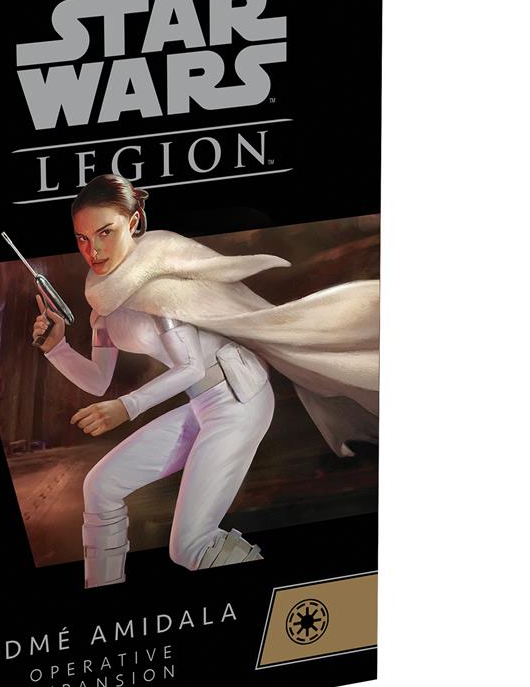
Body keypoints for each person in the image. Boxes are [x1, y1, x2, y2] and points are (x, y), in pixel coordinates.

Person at [32, 174, 378, 587]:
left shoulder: (156, 287)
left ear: (134, 221)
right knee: (100, 486)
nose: (94, 250)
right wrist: (56, 348)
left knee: (190, 545)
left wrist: (127, 407)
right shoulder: (103, 308)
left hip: (239, 398)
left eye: (105, 232)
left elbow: (192, 366)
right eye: (83, 239)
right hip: (203, 404)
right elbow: (98, 380)